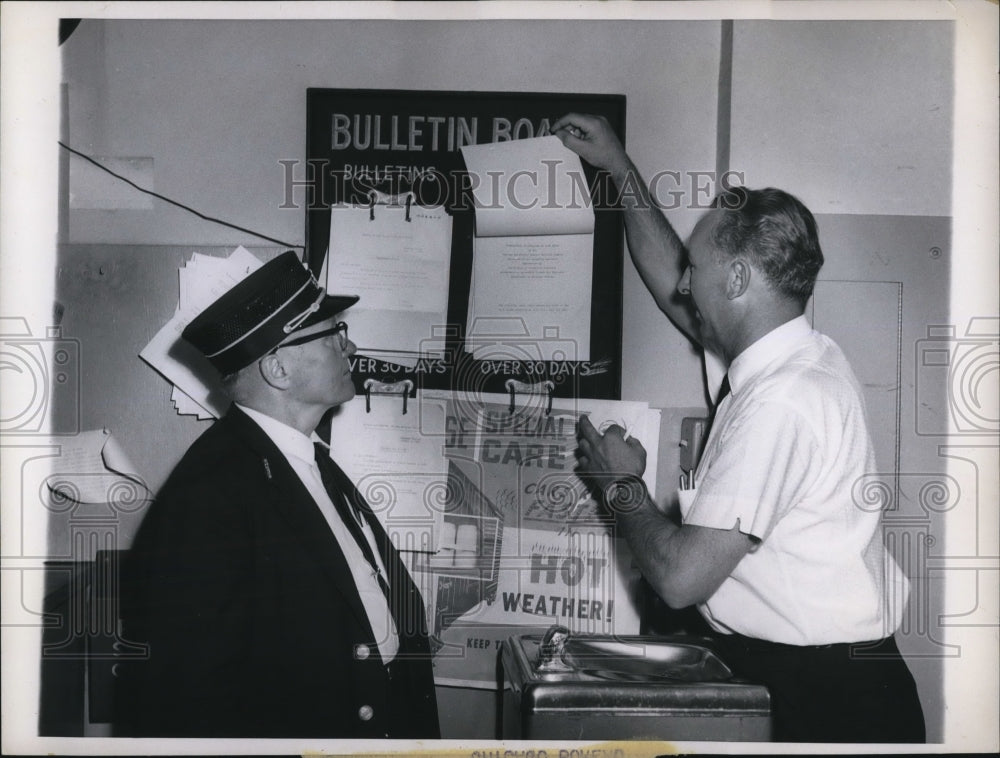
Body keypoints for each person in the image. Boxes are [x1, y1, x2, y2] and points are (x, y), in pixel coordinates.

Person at [554, 113, 925, 743]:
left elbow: (679, 579)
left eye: (695, 269)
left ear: (735, 280)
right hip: (807, 675)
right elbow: (668, 275)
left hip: (826, 700)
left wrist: (621, 485)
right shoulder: (790, 356)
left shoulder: (781, 400)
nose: (682, 284)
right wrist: (618, 169)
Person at [115, 251, 439, 739]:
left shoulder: (305, 458)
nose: (349, 348)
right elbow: (183, 702)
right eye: (333, 335)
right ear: (278, 370)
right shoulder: (209, 496)